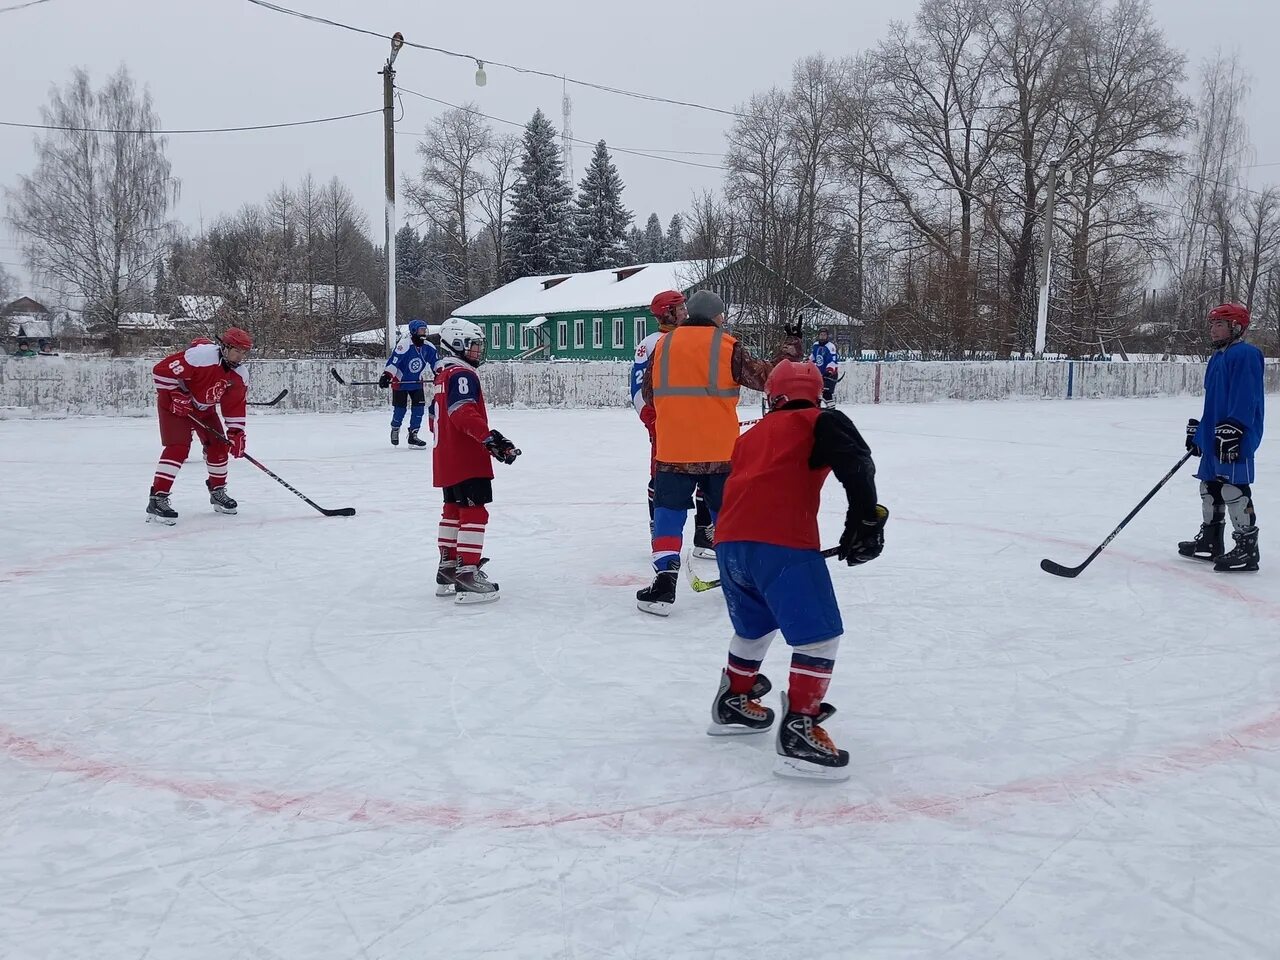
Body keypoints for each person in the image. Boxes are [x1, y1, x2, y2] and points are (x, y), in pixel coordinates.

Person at [707, 359, 887, 780]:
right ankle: (800, 731)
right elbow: (857, 463)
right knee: (820, 637)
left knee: (755, 627)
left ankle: (734, 702)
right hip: (782, 544)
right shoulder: (821, 420)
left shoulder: (748, 437)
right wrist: (865, 522)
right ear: (818, 391)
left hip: (730, 545)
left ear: (771, 395)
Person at [636, 289, 801, 615]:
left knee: (669, 514)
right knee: (730, 516)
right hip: (720, 452)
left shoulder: (662, 347)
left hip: (674, 450)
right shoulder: (727, 346)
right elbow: (768, 377)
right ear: (717, 317)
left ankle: (664, 584)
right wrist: (790, 351)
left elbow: (648, 394)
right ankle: (744, 580)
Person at [432, 317, 520, 603]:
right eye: (472, 346)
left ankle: (448, 567)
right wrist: (489, 438)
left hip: (446, 457)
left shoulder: (442, 376)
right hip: (467, 456)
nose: (477, 352)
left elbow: (435, 421)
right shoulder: (461, 375)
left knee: (452, 511)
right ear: (456, 344)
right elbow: (462, 412)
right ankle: (467, 573)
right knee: (474, 513)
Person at [1178, 302, 1265, 571]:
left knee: (1233, 487)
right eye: (1212, 324)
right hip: (1216, 433)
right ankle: (1211, 541)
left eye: (1219, 324)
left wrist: (1235, 428)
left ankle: (1247, 549)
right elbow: (1213, 403)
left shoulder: (1246, 354)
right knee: (1210, 487)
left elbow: (1246, 396)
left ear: (1236, 327)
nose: (1213, 330)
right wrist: (1201, 434)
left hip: (1237, 434)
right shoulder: (1216, 358)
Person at [631, 290, 715, 556]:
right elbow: (638, 388)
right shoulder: (652, 343)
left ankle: (705, 533)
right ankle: (660, 533)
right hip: (666, 426)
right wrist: (652, 421)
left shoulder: (689, 338)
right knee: (662, 478)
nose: (685, 312)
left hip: (697, 424)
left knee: (708, 474)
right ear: (667, 312)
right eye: (679, 308)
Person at [147, 328, 253, 525]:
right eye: (237, 350)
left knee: (219, 445)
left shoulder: (239, 374)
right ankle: (157, 498)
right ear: (225, 346)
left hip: (204, 408)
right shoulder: (201, 356)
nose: (240, 356)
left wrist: (236, 433)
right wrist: (177, 394)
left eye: (244, 352)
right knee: (178, 448)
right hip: (175, 405)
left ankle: (217, 491)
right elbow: (161, 371)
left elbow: (234, 407)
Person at [379, 319, 437, 447]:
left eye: (424, 330)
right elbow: (394, 362)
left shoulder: (429, 347)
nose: (423, 333)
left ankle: (413, 435)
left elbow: (436, 363)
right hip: (401, 382)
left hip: (416, 382)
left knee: (419, 409)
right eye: (421, 330)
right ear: (413, 331)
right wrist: (387, 375)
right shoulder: (404, 345)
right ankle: (395, 428)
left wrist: (439, 374)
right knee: (400, 409)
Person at [810, 327, 839, 408]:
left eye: (824, 335)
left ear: (827, 336)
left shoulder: (830, 346)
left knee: (827, 394)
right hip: (819, 375)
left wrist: (829, 370)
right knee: (815, 394)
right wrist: (807, 363)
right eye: (821, 335)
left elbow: (833, 360)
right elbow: (813, 357)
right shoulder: (815, 345)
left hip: (830, 375)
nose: (822, 336)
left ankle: (832, 411)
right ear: (818, 336)